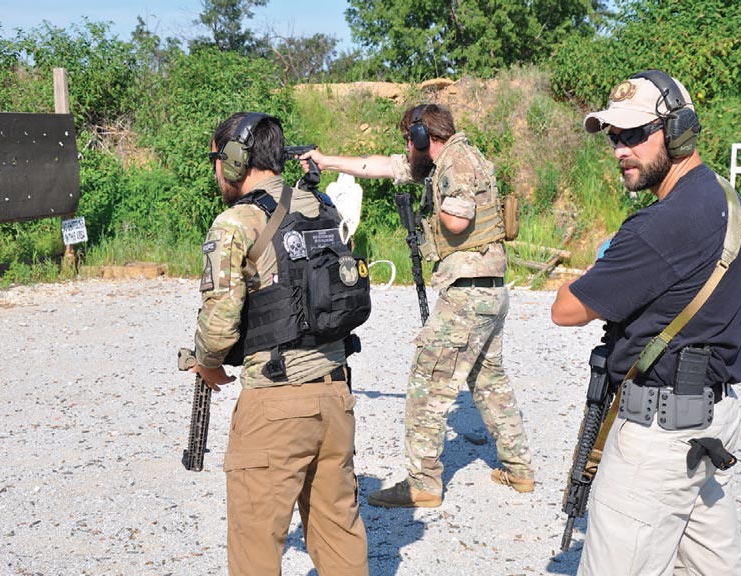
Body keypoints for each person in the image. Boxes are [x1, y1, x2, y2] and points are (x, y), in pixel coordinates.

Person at [551, 70, 741, 575]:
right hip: (709, 425)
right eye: (615, 137)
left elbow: (565, 309)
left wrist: (603, 263)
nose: (621, 149)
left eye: (636, 134)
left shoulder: (661, 225)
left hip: (657, 439)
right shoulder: (728, 200)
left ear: (680, 130)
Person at [302, 103, 535, 508]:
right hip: (488, 288)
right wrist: (325, 159)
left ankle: (423, 483)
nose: (406, 152)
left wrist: (434, 216)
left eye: (408, 143)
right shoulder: (456, 156)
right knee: (488, 380)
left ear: (423, 139)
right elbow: (380, 166)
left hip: (466, 292)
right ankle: (519, 470)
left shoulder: (455, 164)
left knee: (427, 384)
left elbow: (458, 221)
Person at [192, 112, 369, 575]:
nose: (216, 170)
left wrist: (207, 363)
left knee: (256, 548)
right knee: (339, 537)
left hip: (275, 402)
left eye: (217, 158)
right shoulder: (319, 206)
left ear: (233, 161)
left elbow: (219, 326)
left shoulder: (236, 222)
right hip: (335, 396)